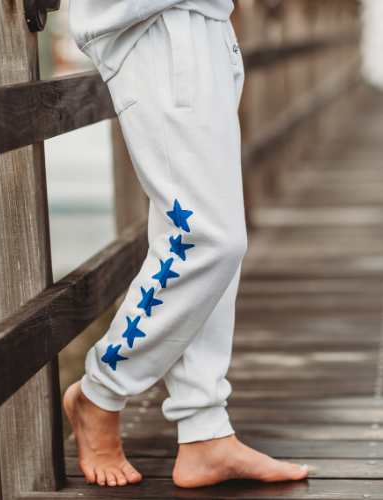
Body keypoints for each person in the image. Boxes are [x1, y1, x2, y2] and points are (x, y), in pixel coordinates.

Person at [64, 0, 310, 488]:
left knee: (198, 238)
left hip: (203, 24)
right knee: (208, 239)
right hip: (154, 26)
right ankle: (101, 390)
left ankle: (204, 431)